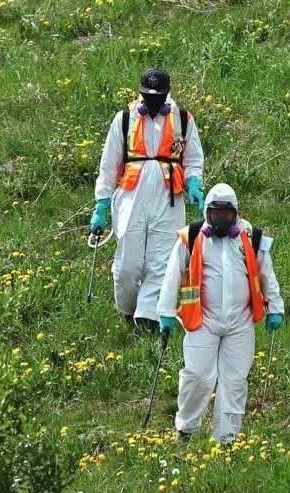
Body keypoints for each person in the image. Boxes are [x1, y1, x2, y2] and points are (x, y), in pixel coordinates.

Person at [157, 183, 284, 445]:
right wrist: (166, 312)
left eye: (226, 215)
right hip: (202, 320)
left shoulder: (251, 238)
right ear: (207, 213)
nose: (221, 220)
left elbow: (266, 275)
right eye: (216, 214)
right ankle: (185, 430)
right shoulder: (192, 237)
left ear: (235, 214)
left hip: (241, 322)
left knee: (234, 381)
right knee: (198, 376)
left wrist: (275, 308)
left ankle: (226, 440)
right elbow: (172, 276)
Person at [90, 68, 205, 332]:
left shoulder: (183, 119)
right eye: (148, 96)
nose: (152, 102)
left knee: (163, 258)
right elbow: (109, 165)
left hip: (168, 198)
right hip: (132, 197)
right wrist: (102, 205)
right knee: (128, 263)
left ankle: (148, 316)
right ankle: (128, 309)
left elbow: (194, 158)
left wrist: (194, 182)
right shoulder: (125, 119)